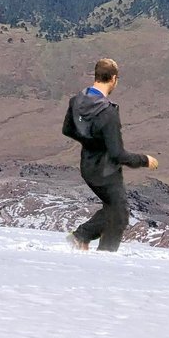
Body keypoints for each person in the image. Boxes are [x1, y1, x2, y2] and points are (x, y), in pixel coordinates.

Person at [61, 57, 158, 252]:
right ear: (114, 79)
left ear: (96, 76)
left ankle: (82, 238)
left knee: (114, 210)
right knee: (119, 216)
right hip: (105, 171)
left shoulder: (77, 100)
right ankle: (97, 251)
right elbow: (117, 154)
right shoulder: (107, 112)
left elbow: (68, 130)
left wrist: (91, 141)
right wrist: (145, 160)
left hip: (87, 166)